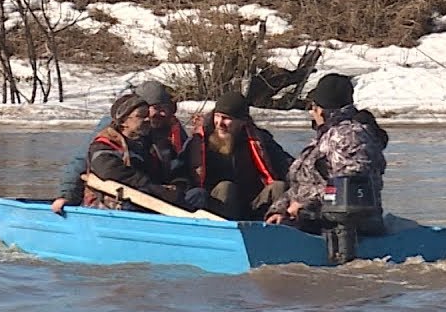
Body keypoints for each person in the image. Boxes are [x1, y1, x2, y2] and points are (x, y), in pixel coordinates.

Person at [265, 73, 389, 234]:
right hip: (313, 217)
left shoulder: (349, 136)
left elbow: (351, 185)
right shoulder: (325, 136)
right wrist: (280, 210)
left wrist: (303, 204)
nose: (311, 113)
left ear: (320, 109)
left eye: (312, 107)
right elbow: (302, 186)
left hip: (343, 228)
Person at [52, 80, 188, 213]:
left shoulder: (168, 127)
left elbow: (179, 164)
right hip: (126, 198)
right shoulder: (110, 133)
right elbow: (81, 162)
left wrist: (178, 187)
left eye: (168, 109)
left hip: (157, 194)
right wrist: (66, 196)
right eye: (157, 108)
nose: (163, 114)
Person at [183, 91, 293, 221]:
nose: (220, 123)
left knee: (278, 187)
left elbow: (286, 165)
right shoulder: (200, 142)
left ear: (242, 122)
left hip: (253, 204)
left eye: (226, 118)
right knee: (226, 187)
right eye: (217, 116)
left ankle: (273, 228)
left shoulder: (260, 140)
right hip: (215, 206)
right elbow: (181, 171)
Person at [82, 94, 202, 210]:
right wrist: (154, 188)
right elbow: (111, 172)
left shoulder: (155, 143)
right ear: (123, 121)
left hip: (155, 198)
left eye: (147, 115)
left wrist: (178, 186)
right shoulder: (104, 145)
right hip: (120, 202)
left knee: (198, 195)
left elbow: (175, 169)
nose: (147, 119)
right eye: (141, 116)